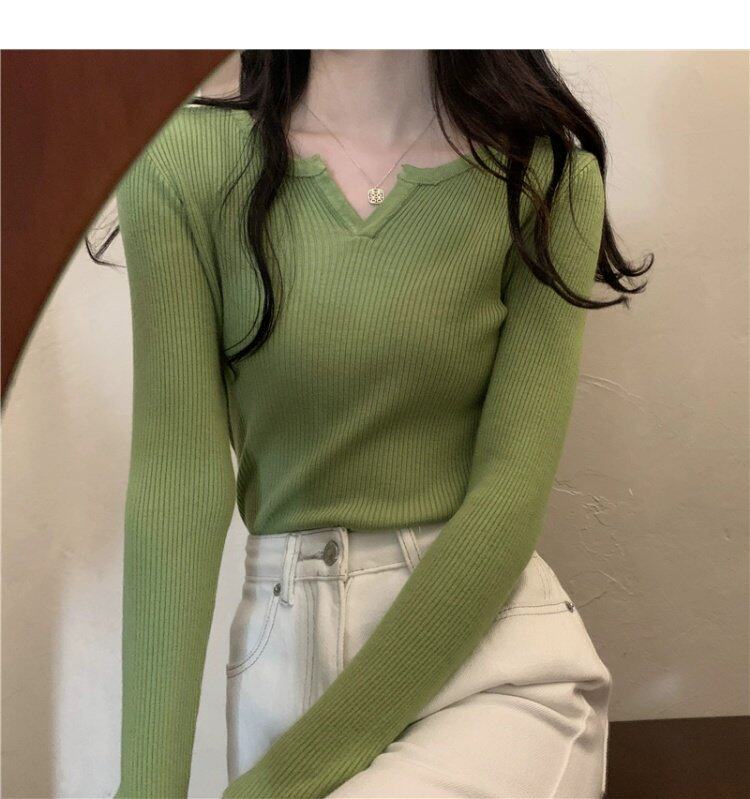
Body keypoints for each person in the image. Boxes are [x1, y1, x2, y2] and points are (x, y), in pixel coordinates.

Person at [106, 49, 652, 798]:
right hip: (283, 658)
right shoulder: (179, 167)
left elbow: (508, 496)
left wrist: (276, 785)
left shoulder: (542, 179)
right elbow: (178, 482)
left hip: (488, 663)